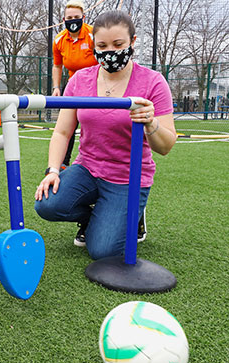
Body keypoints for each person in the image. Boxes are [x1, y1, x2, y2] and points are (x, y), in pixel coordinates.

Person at [35, 10, 177, 260]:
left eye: (118, 44)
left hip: (128, 176)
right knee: (46, 204)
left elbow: (166, 146)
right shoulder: (80, 81)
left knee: (103, 250)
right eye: (102, 45)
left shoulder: (153, 82)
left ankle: (132, 215)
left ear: (132, 43)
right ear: (94, 46)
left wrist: (150, 123)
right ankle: (99, 216)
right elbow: (62, 131)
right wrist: (53, 171)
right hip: (87, 168)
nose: (110, 51)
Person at [52, 0, 98, 168]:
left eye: (76, 17)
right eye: (69, 17)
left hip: (96, 84)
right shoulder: (59, 40)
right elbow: (57, 65)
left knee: (94, 122)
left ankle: (95, 160)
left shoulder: (94, 34)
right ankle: (62, 163)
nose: (73, 20)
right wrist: (56, 87)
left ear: (83, 17)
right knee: (66, 124)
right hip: (74, 85)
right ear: (64, 19)